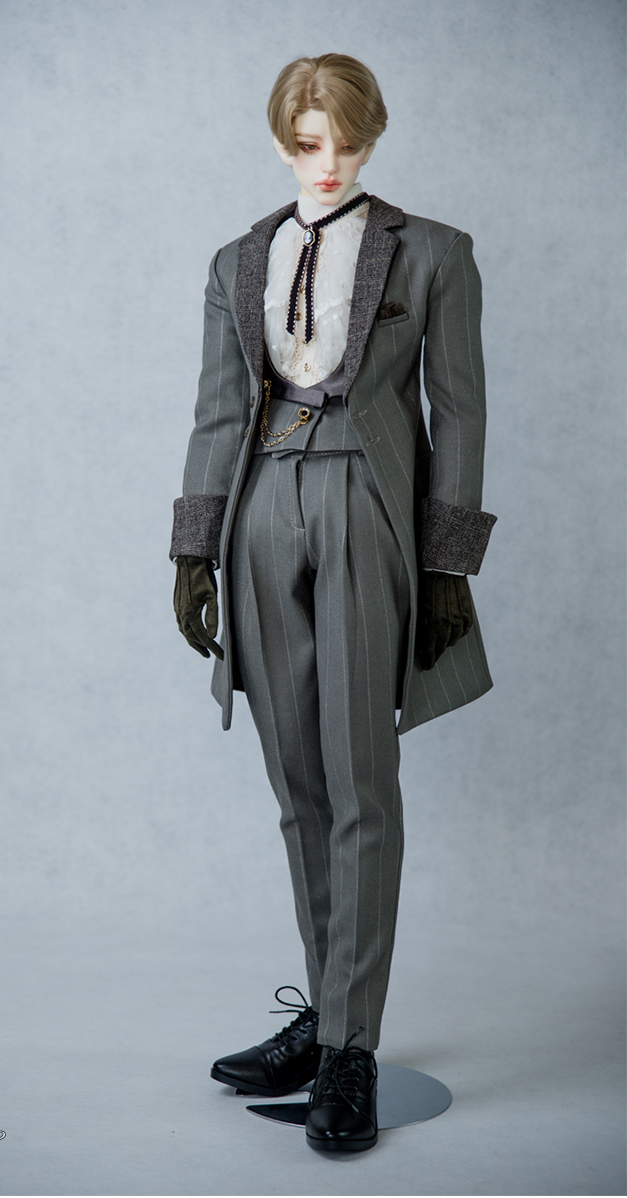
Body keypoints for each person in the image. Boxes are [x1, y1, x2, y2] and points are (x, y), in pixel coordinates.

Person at [170, 53, 496, 1153]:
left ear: (372, 138)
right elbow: (218, 411)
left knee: (360, 780)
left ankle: (352, 1046)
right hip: (261, 501)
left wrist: (448, 565)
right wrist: (193, 550)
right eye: (309, 143)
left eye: (348, 143)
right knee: (296, 782)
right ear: (281, 139)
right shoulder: (236, 260)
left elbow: (459, 411)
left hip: (367, 501)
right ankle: (323, 1019)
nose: (329, 163)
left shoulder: (433, 251)